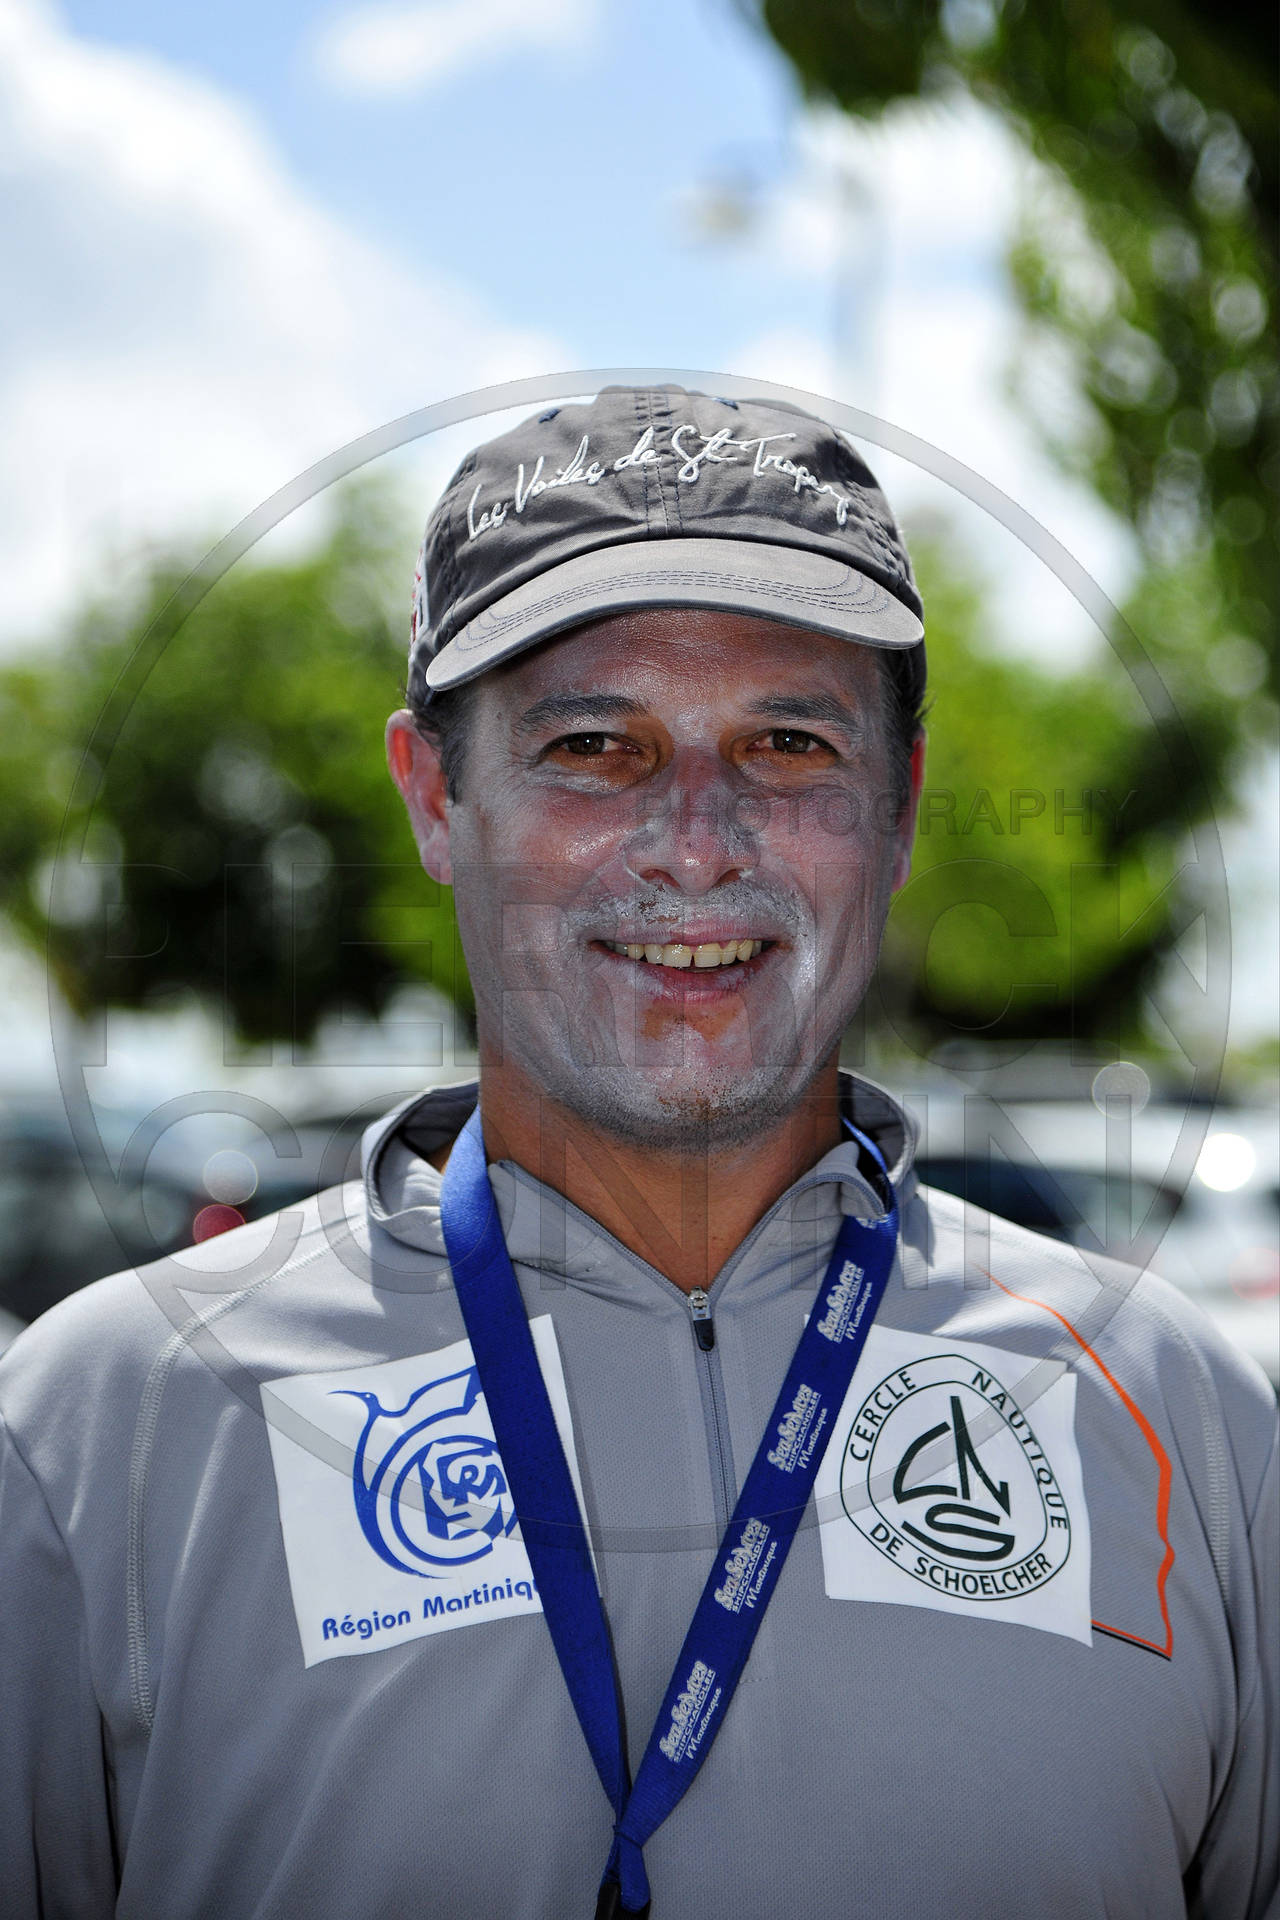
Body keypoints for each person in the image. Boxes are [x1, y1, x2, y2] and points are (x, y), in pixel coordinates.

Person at [1, 385, 1275, 1920]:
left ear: (900, 808)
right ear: (434, 797)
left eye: (789, 742)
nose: (695, 840)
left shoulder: (1191, 1425)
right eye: (595, 745)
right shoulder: (98, 1435)